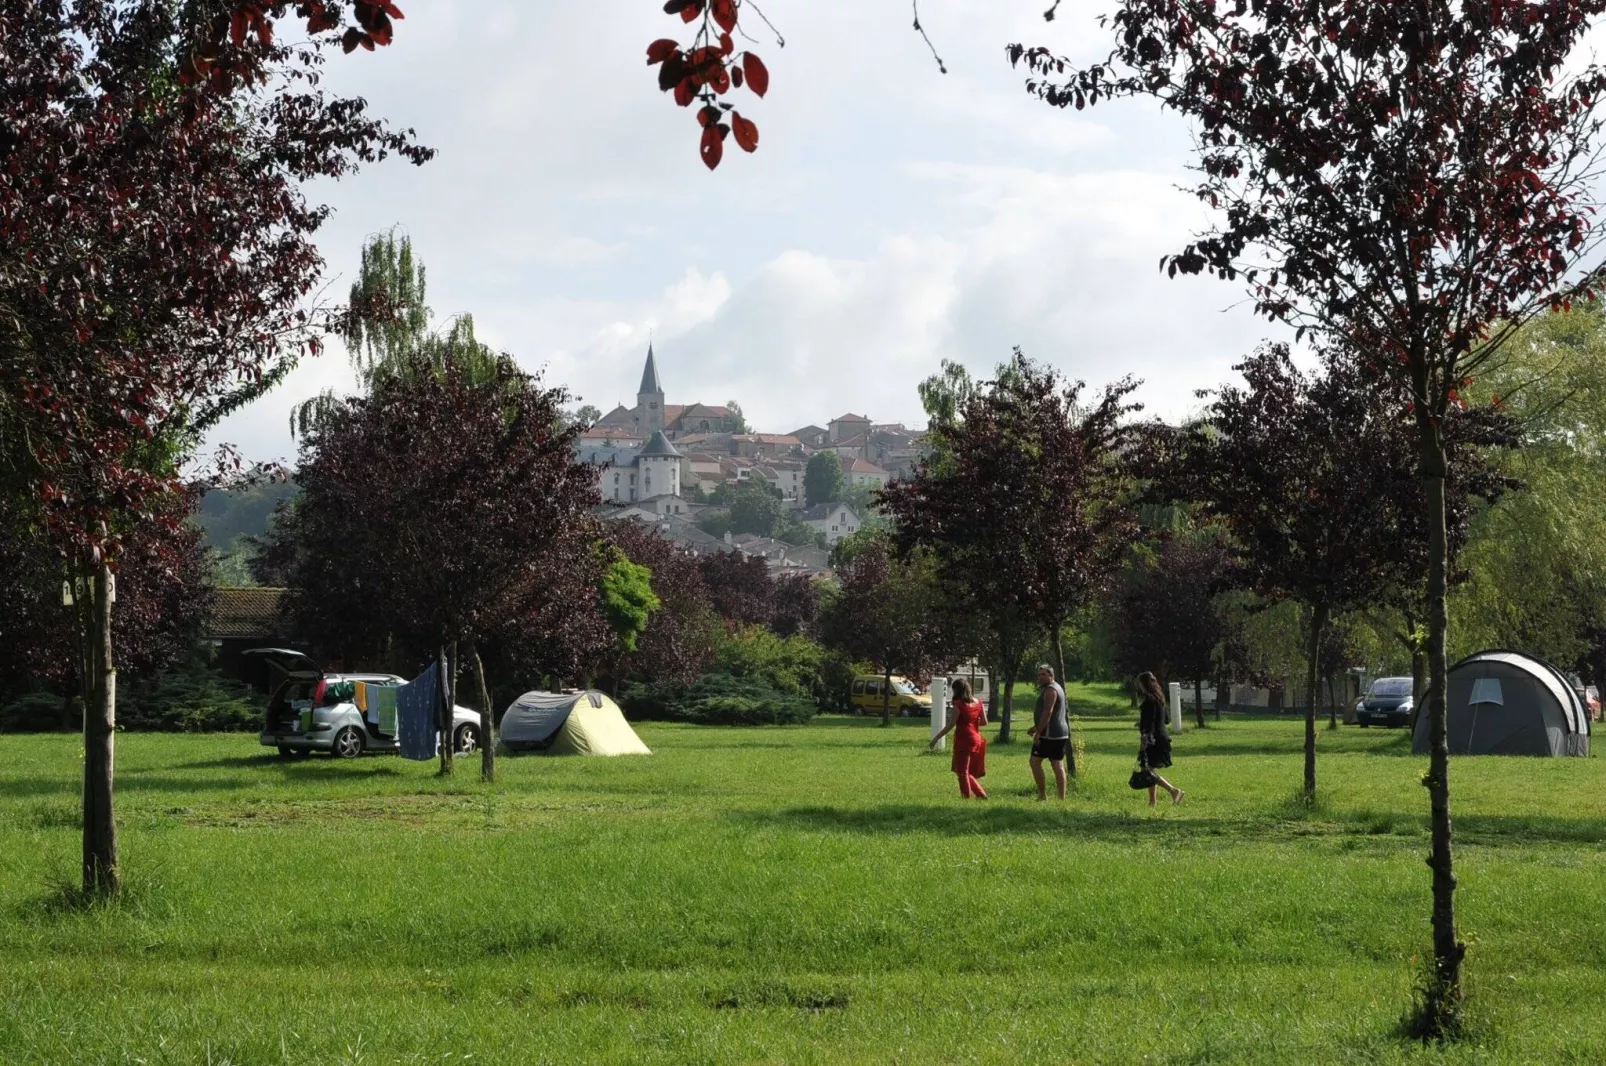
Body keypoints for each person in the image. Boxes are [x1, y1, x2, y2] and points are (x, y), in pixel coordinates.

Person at [929, 678, 988, 798]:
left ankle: (968, 796)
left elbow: (951, 724)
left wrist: (936, 738)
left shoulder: (959, 705)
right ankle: (980, 794)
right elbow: (985, 722)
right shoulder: (979, 702)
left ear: (956, 690)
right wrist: (972, 722)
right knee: (965, 770)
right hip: (976, 739)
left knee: (962, 771)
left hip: (964, 739)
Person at [1136, 671, 1184, 807]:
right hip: (1162, 737)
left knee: (1147, 770)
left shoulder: (1148, 701)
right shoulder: (1160, 698)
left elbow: (1150, 724)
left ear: (1144, 684)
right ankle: (1152, 801)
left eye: (1139, 683)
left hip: (1153, 739)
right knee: (1149, 769)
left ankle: (1174, 791)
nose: (1138, 686)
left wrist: (1145, 740)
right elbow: (1166, 720)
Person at [1028, 664, 1070, 801]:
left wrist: (1039, 732)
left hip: (1049, 734)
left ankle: (1042, 795)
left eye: (1044, 674)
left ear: (1052, 676)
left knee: (1035, 761)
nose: (1040, 677)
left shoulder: (1050, 690)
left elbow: (1048, 712)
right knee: (1057, 763)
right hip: (1059, 732)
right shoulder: (1057, 687)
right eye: (1039, 675)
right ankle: (1060, 798)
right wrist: (1036, 727)